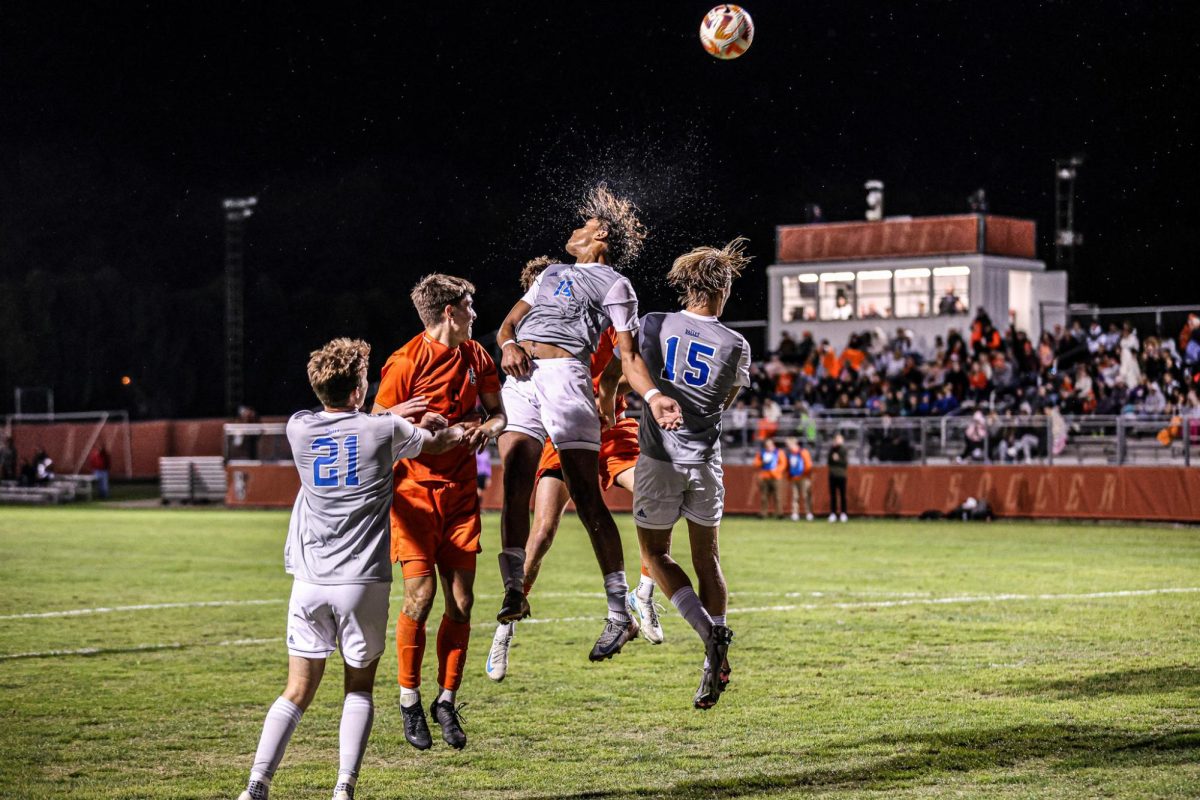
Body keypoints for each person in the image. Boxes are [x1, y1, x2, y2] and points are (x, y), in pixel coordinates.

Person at [235, 338, 464, 800]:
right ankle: (343, 789)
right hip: (362, 582)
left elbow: (349, 422)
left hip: (309, 581)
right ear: (360, 388)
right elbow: (433, 443)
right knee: (358, 687)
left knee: (296, 691)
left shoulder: (298, 428)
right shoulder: (383, 432)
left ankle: (256, 785)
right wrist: (462, 432)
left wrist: (389, 413)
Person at [493, 185, 682, 662]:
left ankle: (621, 611)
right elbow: (508, 323)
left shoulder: (617, 286)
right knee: (515, 482)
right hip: (521, 378)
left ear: (600, 235)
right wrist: (507, 345)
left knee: (588, 497)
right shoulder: (552, 273)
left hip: (563, 377)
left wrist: (653, 396)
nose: (573, 231)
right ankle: (514, 589)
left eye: (583, 225)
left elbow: (628, 355)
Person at [372, 274, 507, 751]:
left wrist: (485, 430)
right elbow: (375, 426)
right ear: (450, 311)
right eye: (470, 306)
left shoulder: (477, 355)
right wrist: (417, 426)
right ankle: (409, 699)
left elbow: (499, 414)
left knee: (463, 603)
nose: (476, 314)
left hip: (462, 496)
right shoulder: (405, 362)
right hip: (413, 498)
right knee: (421, 598)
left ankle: (445, 700)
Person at [632, 237, 751, 708]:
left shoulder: (655, 323)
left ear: (687, 286)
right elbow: (724, 402)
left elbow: (632, 370)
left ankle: (707, 634)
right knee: (709, 559)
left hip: (659, 458)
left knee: (655, 555)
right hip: (705, 461)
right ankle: (715, 649)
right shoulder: (737, 344)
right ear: (722, 288)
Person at [753, 439, 784, 519]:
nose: (769, 447)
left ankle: (779, 513)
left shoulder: (779, 452)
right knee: (764, 497)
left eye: (770, 445)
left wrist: (776, 471)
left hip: (776, 477)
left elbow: (783, 464)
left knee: (777, 496)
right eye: (767, 445)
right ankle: (763, 513)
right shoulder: (762, 453)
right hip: (764, 477)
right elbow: (756, 464)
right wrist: (762, 462)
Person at [785, 438, 814, 521]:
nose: (788, 447)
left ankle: (808, 513)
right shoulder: (790, 454)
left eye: (789, 445)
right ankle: (795, 513)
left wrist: (804, 474)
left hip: (803, 477)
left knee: (806, 496)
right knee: (795, 496)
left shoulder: (803, 452)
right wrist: (789, 475)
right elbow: (788, 466)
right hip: (794, 478)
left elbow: (808, 465)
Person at [827, 433, 848, 522]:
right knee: (833, 495)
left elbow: (844, 463)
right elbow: (828, 461)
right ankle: (833, 513)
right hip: (832, 475)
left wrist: (837, 459)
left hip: (841, 475)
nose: (838, 441)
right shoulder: (832, 449)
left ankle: (843, 513)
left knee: (842, 495)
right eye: (836, 439)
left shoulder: (843, 450)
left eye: (839, 439)